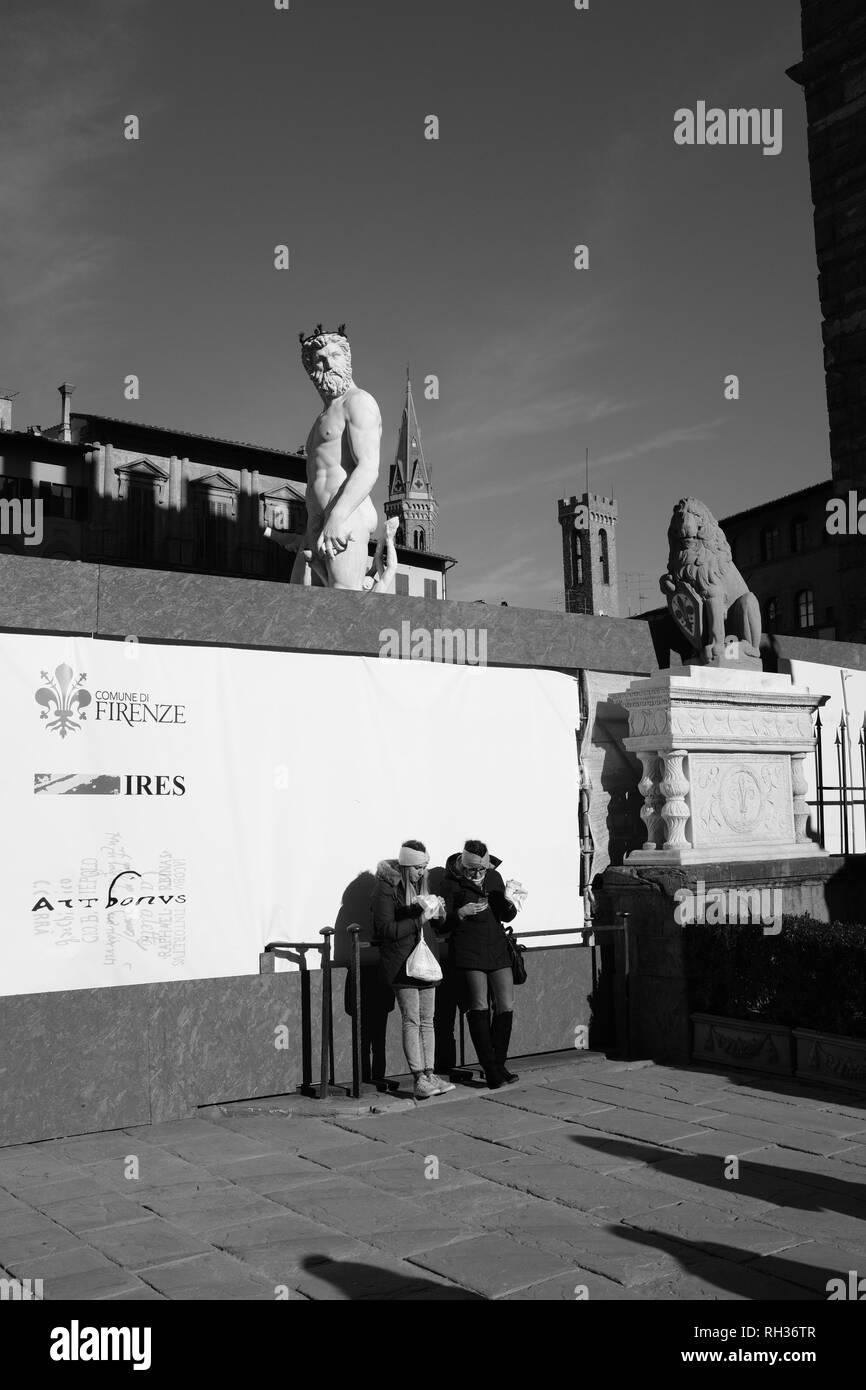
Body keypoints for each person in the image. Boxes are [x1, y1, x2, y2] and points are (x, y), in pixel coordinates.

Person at [371, 840, 455, 1100]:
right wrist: (419, 917)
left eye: (425, 866)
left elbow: (436, 928)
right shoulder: (386, 889)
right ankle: (418, 1078)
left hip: (425, 961)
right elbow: (386, 930)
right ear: (406, 866)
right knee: (412, 1019)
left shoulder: (422, 885)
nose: (422, 872)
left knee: (428, 1019)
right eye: (418, 867)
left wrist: (438, 912)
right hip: (401, 964)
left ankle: (430, 1074)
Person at [441, 840, 521, 1089]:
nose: (476, 875)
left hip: (496, 947)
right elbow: (440, 926)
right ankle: (490, 1069)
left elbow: (506, 916)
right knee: (478, 1007)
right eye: (471, 870)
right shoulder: (450, 883)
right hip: (468, 950)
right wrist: (460, 913)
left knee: (505, 1005)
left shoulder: (494, 878)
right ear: (463, 865)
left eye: (481, 870)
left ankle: (499, 1064)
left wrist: (508, 900)